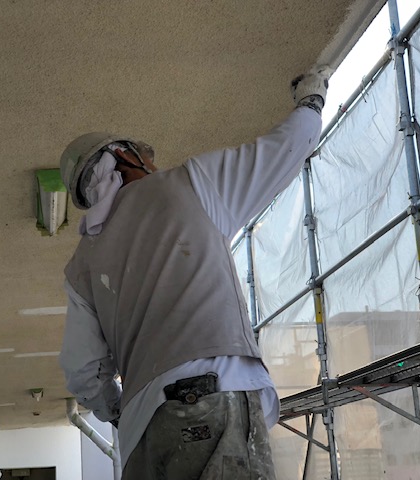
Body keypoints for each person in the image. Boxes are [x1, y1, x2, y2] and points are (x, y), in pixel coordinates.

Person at [58, 66, 332, 479]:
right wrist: (312, 99)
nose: (153, 163)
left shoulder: (82, 264)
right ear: (124, 156)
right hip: (212, 396)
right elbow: (285, 149)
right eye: (146, 156)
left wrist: (123, 409)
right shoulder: (190, 184)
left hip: (141, 437)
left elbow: (83, 371)